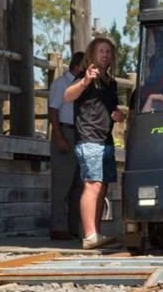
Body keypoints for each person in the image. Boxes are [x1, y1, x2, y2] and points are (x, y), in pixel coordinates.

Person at [63, 36, 126, 250]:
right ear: (93, 53)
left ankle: (96, 232)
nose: (105, 55)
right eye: (101, 51)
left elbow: (111, 110)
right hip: (88, 138)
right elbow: (67, 96)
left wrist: (118, 116)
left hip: (106, 139)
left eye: (108, 51)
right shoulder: (84, 76)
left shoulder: (111, 82)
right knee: (93, 184)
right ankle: (89, 235)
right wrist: (85, 81)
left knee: (103, 186)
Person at [47, 51, 85, 241]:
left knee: (78, 184)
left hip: (81, 133)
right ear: (78, 67)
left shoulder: (82, 85)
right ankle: (58, 228)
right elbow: (53, 111)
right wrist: (59, 137)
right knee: (62, 183)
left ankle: (73, 227)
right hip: (65, 131)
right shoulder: (60, 84)